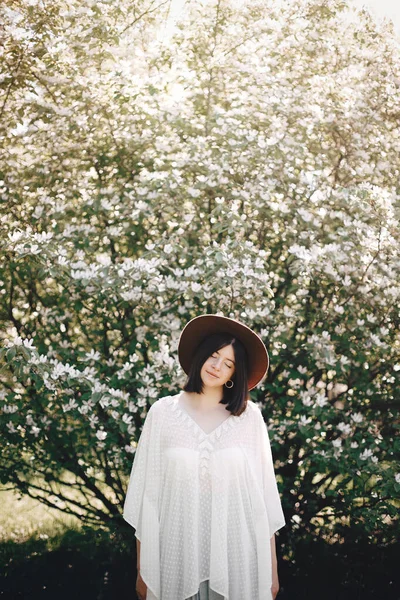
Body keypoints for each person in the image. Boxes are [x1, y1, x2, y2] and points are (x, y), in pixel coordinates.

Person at [123, 314, 286, 600]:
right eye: (213, 355)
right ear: (201, 356)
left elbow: (264, 502)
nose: (217, 366)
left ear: (236, 373)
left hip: (237, 561)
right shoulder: (162, 414)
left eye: (228, 363)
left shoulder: (249, 419)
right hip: (175, 556)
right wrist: (142, 570)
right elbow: (147, 500)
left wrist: (271, 572)